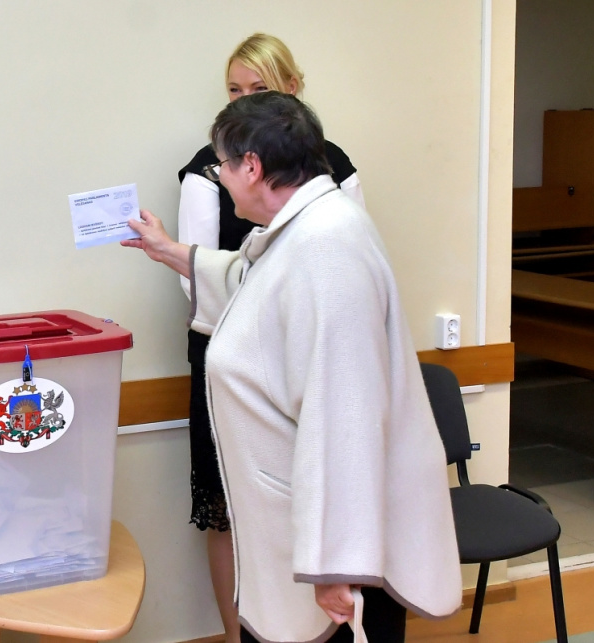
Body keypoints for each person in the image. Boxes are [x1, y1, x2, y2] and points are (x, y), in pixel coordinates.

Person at [122, 92, 461, 643]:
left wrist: (337, 566)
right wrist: (167, 250)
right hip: (304, 535)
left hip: (337, 562)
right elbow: (250, 284)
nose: (221, 177)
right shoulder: (303, 231)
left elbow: (345, 415)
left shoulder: (327, 249)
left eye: (222, 165)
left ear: (252, 167)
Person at [176, 33, 365, 643]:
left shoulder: (333, 172)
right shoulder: (208, 169)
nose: (244, 102)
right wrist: (172, 254)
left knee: (306, 500)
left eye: (258, 88)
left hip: (307, 361)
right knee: (230, 512)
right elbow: (201, 277)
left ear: (293, 89)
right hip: (232, 358)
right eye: (234, 90)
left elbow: (342, 274)